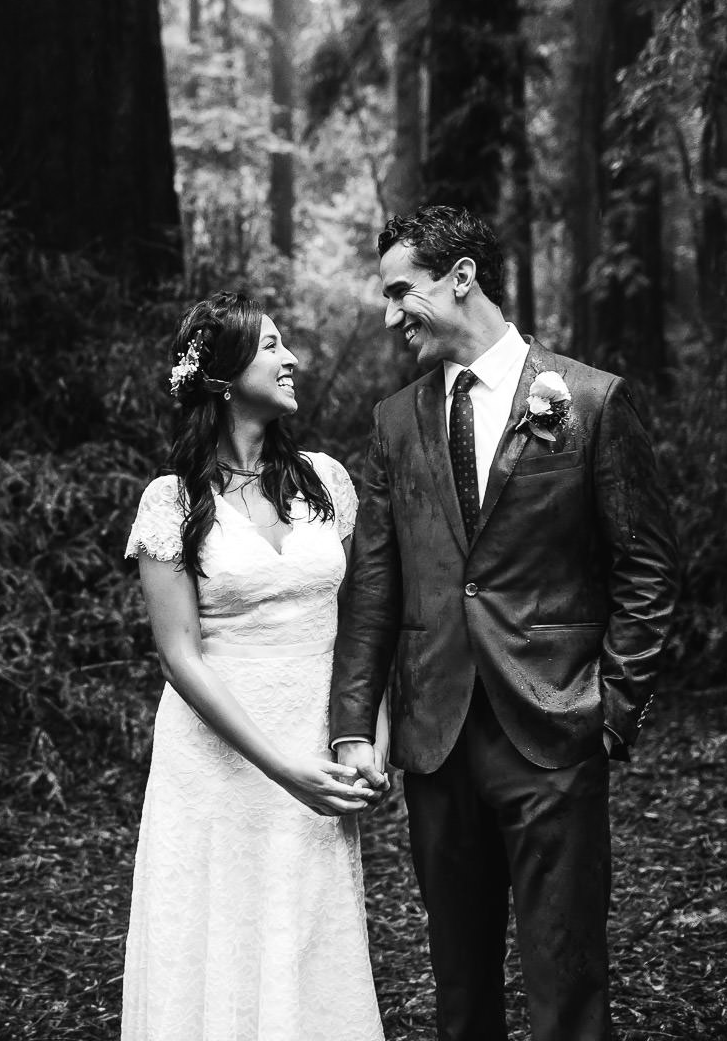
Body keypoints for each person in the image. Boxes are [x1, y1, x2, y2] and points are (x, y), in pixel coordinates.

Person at [330, 206, 678, 1041]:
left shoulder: (591, 401)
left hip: (555, 728)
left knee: (567, 980)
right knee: (460, 987)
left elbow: (646, 566)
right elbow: (375, 587)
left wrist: (614, 709)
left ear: (462, 278)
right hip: (436, 736)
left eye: (401, 291)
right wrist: (352, 726)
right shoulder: (393, 423)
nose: (390, 315)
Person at [120, 291, 386, 1041]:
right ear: (225, 375)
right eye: (271, 346)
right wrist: (281, 768)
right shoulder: (171, 502)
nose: (290, 357)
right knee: (213, 935)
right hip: (215, 762)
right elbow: (180, 658)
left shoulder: (326, 482)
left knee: (305, 932)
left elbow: (363, 624)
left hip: (313, 737)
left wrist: (366, 738)